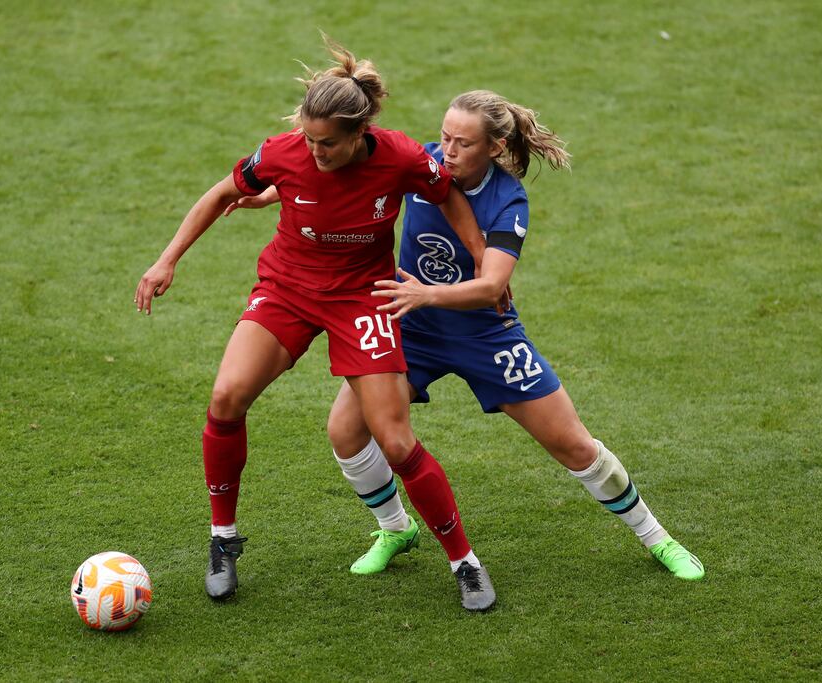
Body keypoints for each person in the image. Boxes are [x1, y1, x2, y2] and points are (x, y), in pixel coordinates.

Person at [231, 90, 705, 583]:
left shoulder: (508, 201)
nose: (448, 152)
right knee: (346, 432)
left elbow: (493, 286)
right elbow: (344, 175)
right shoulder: (420, 164)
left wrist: (425, 296)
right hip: (412, 328)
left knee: (573, 445)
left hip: (485, 335)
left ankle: (658, 538)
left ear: (495, 148)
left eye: (463, 144)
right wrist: (269, 193)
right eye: (444, 137)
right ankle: (395, 528)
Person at [134, 40, 499, 612]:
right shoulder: (283, 153)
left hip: (361, 299)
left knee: (395, 438)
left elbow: (447, 193)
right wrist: (166, 258)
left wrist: (478, 254)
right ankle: (223, 541)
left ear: (359, 135)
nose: (315, 152)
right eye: (308, 140)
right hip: (287, 290)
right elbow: (222, 192)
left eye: (327, 143)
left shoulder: (401, 157)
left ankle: (464, 562)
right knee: (227, 396)